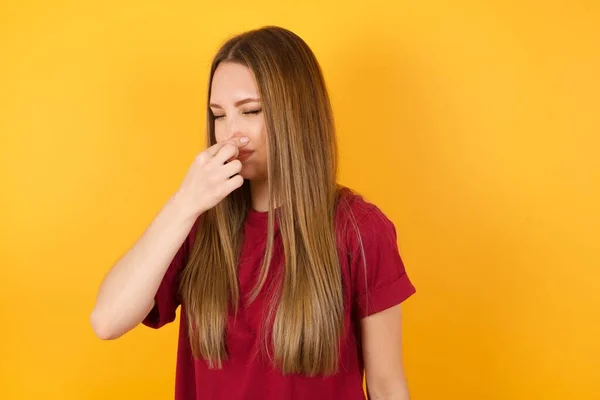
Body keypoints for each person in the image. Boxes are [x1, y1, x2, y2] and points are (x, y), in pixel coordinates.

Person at [90, 25, 416, 400]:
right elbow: (107, 320)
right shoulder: (196, 224)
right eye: (219, 115)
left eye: (250, 111)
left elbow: (387, 385)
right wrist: (184, 203)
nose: (230, 134)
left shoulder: (360, 229)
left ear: (296, 114)